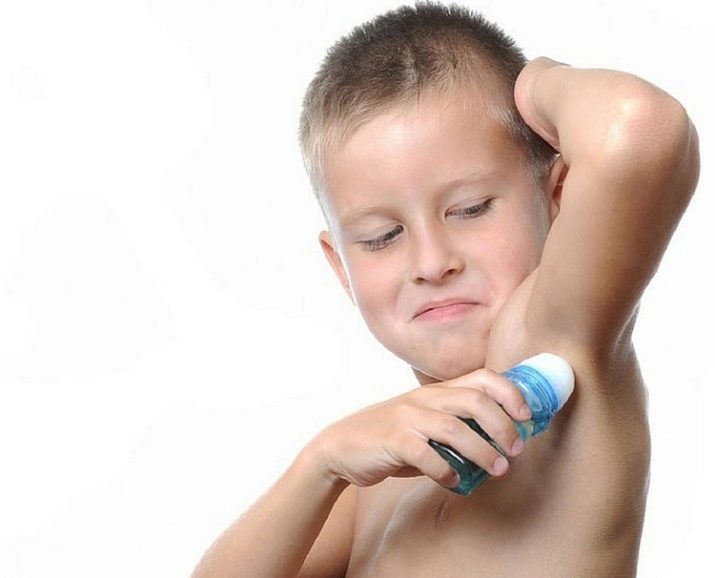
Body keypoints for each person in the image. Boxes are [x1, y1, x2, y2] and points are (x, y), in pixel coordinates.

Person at [191, 2, 700, 576]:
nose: (432, 263)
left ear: (558, 196)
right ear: (342, 268)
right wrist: (321, 463)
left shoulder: (552, 348)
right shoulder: (373, 483)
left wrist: (532, 81)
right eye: (382, 237)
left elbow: (639, 128)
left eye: (471, 208)